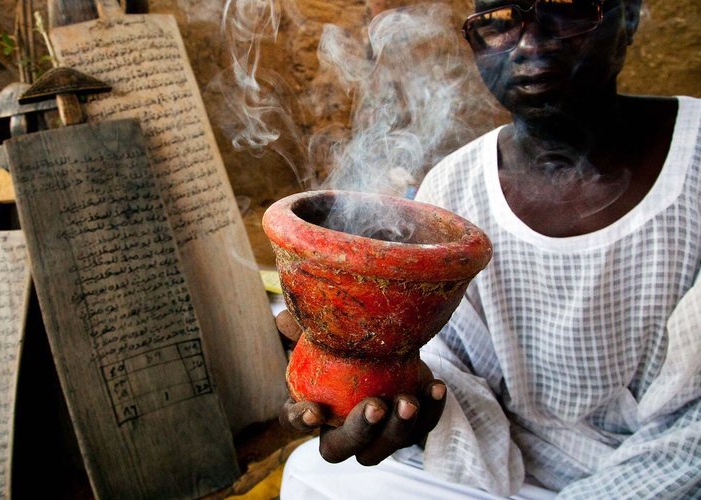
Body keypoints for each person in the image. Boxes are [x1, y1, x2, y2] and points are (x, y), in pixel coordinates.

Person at [277, 0, 700, 497]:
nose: (530, 44)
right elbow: (453, 374)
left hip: (672, 466)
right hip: (509, 468)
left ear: (627, 17)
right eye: (498, 21)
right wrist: (392, 394)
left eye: (566, 8)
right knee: (315, 475)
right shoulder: (455, 187)